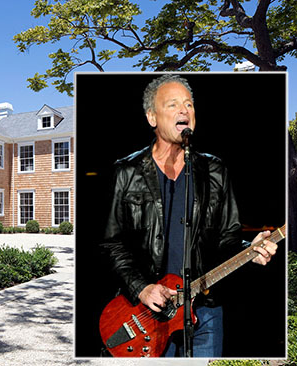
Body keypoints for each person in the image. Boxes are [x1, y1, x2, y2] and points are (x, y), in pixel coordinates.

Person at [99, 74, 278, 357]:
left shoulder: (215, 171)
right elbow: (111, 243)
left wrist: (251, 250)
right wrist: (142, 289)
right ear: (152, 117)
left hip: (204, 311)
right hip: (147, 313)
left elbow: (228, 240)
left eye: (189, 104)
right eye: (173, 105)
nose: (184, 110)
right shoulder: (127, 172)